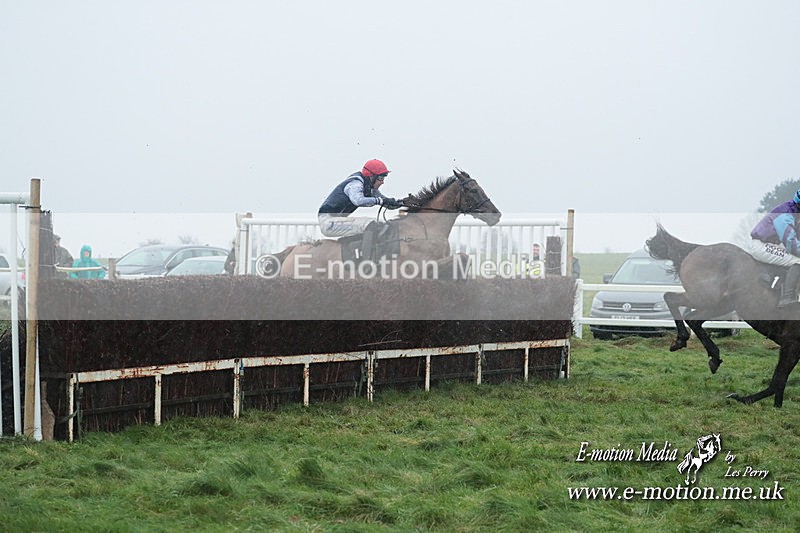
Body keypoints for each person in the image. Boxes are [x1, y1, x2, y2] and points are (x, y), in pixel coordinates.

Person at [317, 159, 403, 238]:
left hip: (338, 221)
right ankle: (369, 255)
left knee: (382, 224)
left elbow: (386, 203)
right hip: (329, 223)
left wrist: (401, 202)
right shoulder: (355, 184)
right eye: (380, 178)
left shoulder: (370, 188)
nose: (382, 182)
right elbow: (358, 201)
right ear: (371, 176)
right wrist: (380, 201)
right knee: (371, 224)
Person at [750, 188, 800, 307]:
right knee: (798, 260)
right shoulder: (787, 214)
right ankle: (786, 298)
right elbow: (790, 243)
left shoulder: (795, 212)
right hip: (761, 245)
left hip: (772, 244)